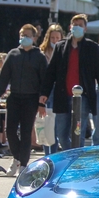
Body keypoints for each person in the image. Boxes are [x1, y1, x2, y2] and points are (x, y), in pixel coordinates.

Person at [39, 14, 99, 150]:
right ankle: (71, 155)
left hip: (82, 97)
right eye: (75, 24)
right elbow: (51, 73)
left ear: (85, 28)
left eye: (80, 25)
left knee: (79, 132)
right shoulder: (60, 47)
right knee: (61, 133)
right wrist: (44, 93)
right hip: (62, 95)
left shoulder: (92, 48)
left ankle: (76, 160)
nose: (77, 27)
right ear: (70, 27)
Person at [0, 24, 47, 177]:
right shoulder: (13, 54)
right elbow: (3, 77)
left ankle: (23, 165)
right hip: (14, 97)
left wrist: (41, 102)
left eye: (27, 35)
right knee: (9, 131)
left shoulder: (39, 56)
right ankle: (17, 158)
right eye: (22, 34)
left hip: (31, 98)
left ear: (34, 38)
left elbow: (45, 81)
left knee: (25, 133)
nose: (24, 37)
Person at [38, 23, 65, 155]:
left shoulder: (64, 51)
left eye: (57, 38)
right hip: (46, 90)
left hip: (59, 90)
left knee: (54, 125)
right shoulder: (42, 53)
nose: (55, 41)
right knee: (45, 123)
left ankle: (52, 154)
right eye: (52, 38)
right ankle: (46, 154)